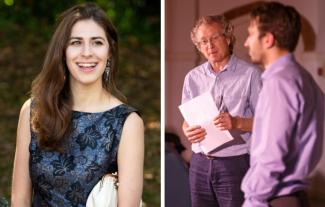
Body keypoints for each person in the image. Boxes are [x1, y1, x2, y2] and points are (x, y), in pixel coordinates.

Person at [11, 3, 144, 206]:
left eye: (97, 42)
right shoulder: (33, 111)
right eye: (76, 42)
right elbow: (19, 199)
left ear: (110, 51)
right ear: (63, 51)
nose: (87, 52)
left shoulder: (127, 123)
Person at [241, 2, 325, 207]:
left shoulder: (279, 83)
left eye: (250, 34)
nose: (245, 43)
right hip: (291, 196)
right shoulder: (303, 78)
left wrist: (253, 198)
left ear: (268, 39)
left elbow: (272, 156)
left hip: (274, 199)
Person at [181, 15, 262, 207]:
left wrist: (236, 123)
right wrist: (186, 129)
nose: (209, 45)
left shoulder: (251, 74)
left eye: (215, 38)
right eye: (203, 41)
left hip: (235, 164)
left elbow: (267, 123)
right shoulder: (192, 78)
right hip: (199, 163)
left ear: (227, 38)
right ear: (199, 47)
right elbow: (187, 120)